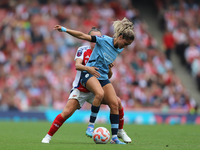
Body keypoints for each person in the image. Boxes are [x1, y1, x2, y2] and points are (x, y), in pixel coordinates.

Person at [41, 27, 131, 144]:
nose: (95, 41)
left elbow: (107, 76)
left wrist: (109, 68)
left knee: (117, 102)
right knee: (67, 112)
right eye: (93, 39)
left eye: (97, 38)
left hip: (95, 90)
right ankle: (48, 136)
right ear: (90, 40)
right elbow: (77, 66)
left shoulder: (105, 50)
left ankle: (120, 131)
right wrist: (88, 68)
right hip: (81, 88)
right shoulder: (83, 50)